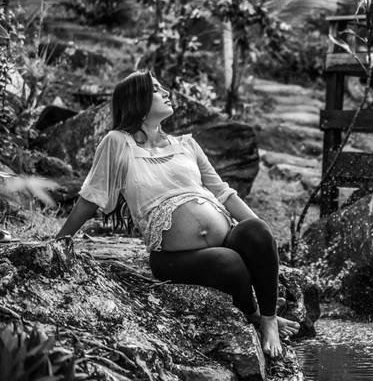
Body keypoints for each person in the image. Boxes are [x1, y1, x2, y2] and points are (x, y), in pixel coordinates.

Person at [56, 71, 299, 357]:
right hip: (173, 257)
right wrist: (58, 242)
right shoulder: (117, 143)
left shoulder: (186, 145)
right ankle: (254, 314)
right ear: (137, 101)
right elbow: (90, 198)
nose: (167, 92)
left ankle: (269, 320)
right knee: (230, 262)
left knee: (257, 230)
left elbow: (223, 192)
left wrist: (264, 240)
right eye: (156, 89)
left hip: (224, 234)